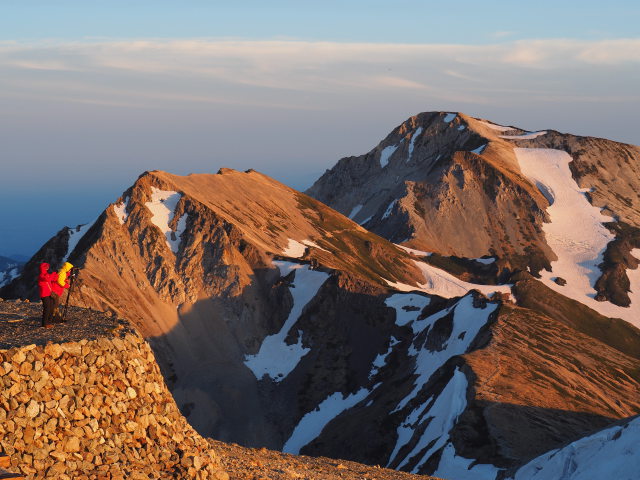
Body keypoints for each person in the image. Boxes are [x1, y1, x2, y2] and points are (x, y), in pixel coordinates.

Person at [37, 263, 56, 328]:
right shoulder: (41, 275)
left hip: (49, 293)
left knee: (51, 308)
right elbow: (47, 279)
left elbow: (52, 279)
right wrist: (53, 274)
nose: (47, 267)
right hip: (44, 295)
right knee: (47, 308)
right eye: (46, 267)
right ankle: (44, 323)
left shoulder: (46, 274)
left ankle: (49, 322)